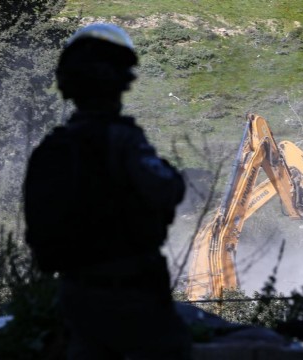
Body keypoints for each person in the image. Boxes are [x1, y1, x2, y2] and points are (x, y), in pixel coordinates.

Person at [24, 23, 192, 360]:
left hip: (75, 293)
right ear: (118, 84)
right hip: (130, 293)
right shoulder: (122, 141)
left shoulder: (53, 147)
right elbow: (166, 190)